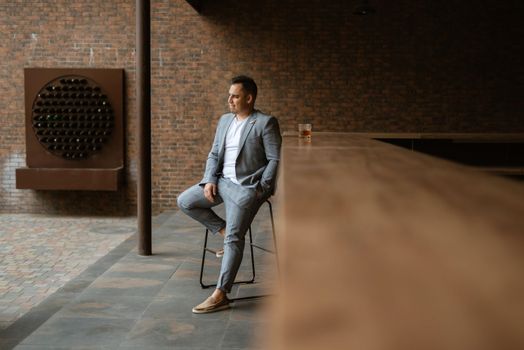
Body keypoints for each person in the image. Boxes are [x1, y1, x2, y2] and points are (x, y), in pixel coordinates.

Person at [177, 75, 282, 313]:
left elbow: (275, 158)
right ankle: (223, 231)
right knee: (185, 201)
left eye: (235, 96)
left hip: (247, 187)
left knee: (236, 238)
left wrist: (261, 189)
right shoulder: (225, 120)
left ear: (249, 97)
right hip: (221, 182)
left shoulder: (265, 123)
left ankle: (221, 293)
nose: (229, 100)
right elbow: (214, 154)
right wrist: (209, 180)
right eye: (229, 95)